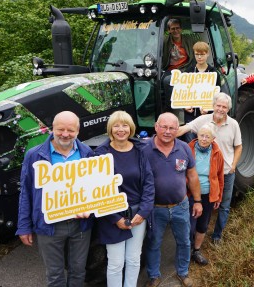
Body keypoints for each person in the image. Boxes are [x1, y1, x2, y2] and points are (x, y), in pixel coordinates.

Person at [16, 111, 95, 287]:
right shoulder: (34, 155)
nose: (65, 134)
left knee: (78, 271)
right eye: (60, 129)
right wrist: (23, 227)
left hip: (80, 224)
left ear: (78, 131)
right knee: (55, 275)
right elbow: (26, 193)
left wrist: (92, 209)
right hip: (49, 225)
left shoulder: (87, 153)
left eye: (70, 130)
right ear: (52, 128)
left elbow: (94, 187)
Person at [94, 111, 155, 287]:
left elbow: (149, 184)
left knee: (134, 259)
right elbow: (97, 191)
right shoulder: (100, 154)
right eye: (116, 125)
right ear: (110, 129)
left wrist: (143, 212)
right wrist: (115, 218)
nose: (121, 129)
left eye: (125, 125)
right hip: (112, 216)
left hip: (138, 215)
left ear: (131, 128)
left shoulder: (140, 150)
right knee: (115, 263)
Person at [143, 112, 202, 287]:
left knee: (184, 241)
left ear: (178, 129)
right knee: (153, 243)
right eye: (164, 127)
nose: (168, 131)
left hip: (181, 206)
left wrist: (197, 201)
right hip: (155, 208)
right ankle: (154, 276)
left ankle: (183, 272)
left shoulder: (183, 148)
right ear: (156, 127)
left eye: (172, 128)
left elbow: (192, 175)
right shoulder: (144, 150)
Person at [176, 92, 242, 243]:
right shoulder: (203, 120)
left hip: (226, 172)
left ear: (228, 109)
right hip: (206, 174)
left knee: (224, 205)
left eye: (224, 107)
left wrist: (233, 166)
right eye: (218, 105)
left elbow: (239, 147)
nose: (220, 109)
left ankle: (217, 235)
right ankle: (194, 236)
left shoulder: (233, 125)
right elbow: (183, 129)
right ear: (213, 106)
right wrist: (164, 137)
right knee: (201, 203)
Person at [187, 124, 224, 265]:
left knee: (203, 224)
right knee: (189, 225)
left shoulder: (217, 153)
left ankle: (196, 251)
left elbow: (220, 177)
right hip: (190, 194)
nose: (203, 139)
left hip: (208, 195)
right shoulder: (188, 149)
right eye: (201, 135)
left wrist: (218, 196)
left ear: (213, 138)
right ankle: (186, 251)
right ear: (197, 136)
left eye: (207, 136)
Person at [181, 41, 221, 142]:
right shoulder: (188, 72)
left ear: (207, 54)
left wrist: (209, 108)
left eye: (202, 54)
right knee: (190, 144)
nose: (199, 57)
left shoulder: (214, 73)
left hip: (207, 116)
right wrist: (184, 106)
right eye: (197, 54)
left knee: (206, 142)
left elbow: (217, 96)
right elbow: (182, 93)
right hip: (191, 116)